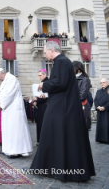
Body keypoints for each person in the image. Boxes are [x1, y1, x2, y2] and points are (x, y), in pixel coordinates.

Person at [30, 41, 95, 182]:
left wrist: (43, 84)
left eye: (45, 52)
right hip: (63, 105)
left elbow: (60, 83)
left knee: (53, 132)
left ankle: (54, 167)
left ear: (52, 50)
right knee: (55, 134)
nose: (44, 55)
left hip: (62, 107)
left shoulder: (61, 62)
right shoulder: (62, 62)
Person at [0, 68, 33, 158]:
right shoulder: (4, 81)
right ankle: (8, 149)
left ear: (3, 73)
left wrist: (2, 104)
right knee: (8, 130)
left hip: (14, 110)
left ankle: (16, 151)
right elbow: (2, 94)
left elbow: (9, 94)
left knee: (15, 130)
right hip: (7, 109)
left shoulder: (12, 79)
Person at [73, 61, 92, 130]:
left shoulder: (85, 79)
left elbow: (82, 95)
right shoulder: (72, 79)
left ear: (78, 69)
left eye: (73, 68)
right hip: (73, 106)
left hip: (81, 106)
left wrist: (71, 100)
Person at [35, 69, 48, 144]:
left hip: (45, 106)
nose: (39, 77)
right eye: (38, 75)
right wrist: (36, 101)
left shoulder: (47, 82)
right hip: (41, 105)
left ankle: (43, 140)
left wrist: (37, 99)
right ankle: (40, 140)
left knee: (43, 123)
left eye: (40, 75)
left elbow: (46, 95)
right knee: (39, 123)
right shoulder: (42, 82)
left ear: (44, 74)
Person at [94, 78, 109, 144]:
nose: (102, 84)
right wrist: (98, 107)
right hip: (100, 111)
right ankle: (100, 139)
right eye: (101, 83)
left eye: (104, 82)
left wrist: (104, 107)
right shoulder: (98, 91)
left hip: (107, 111)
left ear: (108, 83)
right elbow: (95, 100)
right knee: (101, 126)